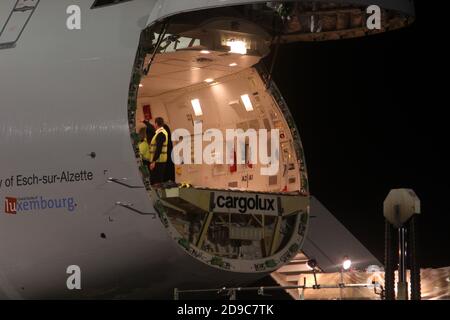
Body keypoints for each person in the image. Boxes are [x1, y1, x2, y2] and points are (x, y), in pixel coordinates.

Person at [149, 117, 169, 184]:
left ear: (156, 123)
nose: (154, 125)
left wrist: (153, 161)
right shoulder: (162, 132)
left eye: (154, 123)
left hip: (158, 161)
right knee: (157, 181)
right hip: (159, 161)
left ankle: (157, 194)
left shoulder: (160, 134)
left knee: (156, 182)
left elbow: (158, 149)